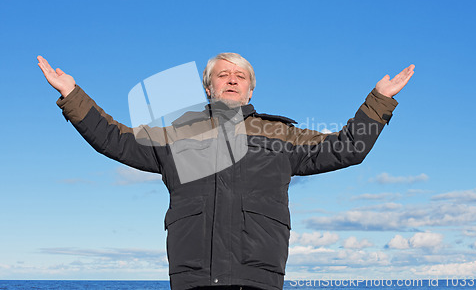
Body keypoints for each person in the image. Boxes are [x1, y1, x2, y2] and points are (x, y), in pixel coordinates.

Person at [37, 53, 414, 290]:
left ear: (250, 91)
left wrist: (379, 100)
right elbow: (114, 139)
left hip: (258, 276)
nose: (231, 79)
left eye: (240, 76)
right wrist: (72, 95)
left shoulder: (281, 135)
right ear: (208, 87)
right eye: (222, 74)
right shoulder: (175, 136)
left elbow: (346, 147)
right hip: (193, 276)